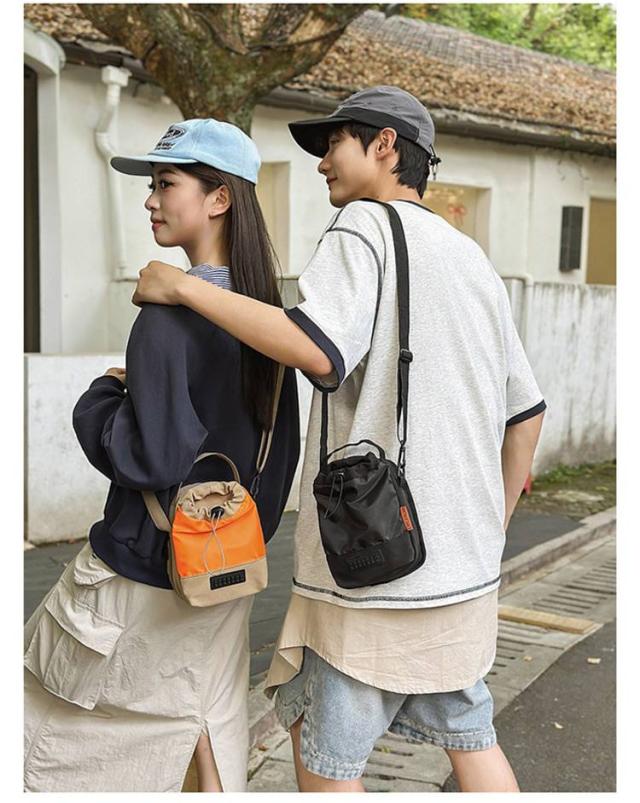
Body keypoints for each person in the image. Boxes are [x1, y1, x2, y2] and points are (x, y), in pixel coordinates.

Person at [131, 86, 546, 793]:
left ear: (384, 145)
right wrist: (491, 530)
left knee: (327, 761)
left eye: (334, 144)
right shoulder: (470, 256)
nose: (322, 162)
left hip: (371, 570)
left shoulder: (363, 225)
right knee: (472, 741)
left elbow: (317, 348)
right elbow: (526, 414)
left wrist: (185, 289)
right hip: (462, 576)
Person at [23, 119, 300, 793]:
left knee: (48, 739)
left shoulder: (168, 314)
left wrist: (100, 398)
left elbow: (153, 458)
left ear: (219, 197)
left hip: (143, 575)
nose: (150, 200)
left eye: (166, 183)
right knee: (202, 732)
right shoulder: (268, 315)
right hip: (225, 567)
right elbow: (280, 452)